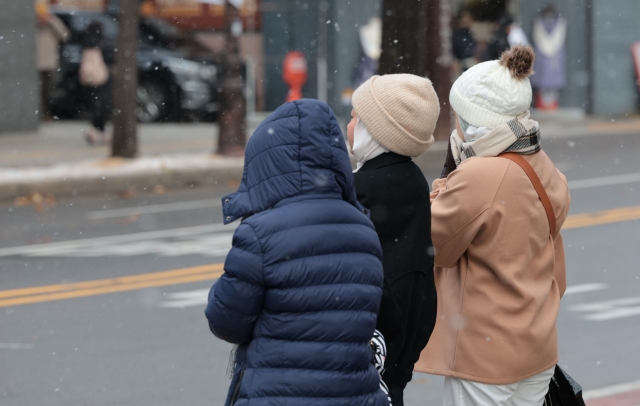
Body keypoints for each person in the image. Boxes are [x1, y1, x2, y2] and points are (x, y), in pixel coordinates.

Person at [205, 99, 390, 406]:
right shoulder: (363, 227)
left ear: (267, 162)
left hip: (278, 395)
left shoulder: (259, 233)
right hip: (354, 395)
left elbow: (226, 320)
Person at [415, 45, 571, 405]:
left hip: (487, 354)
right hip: (536, 343)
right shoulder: (539, 161)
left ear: (471, 121)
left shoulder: (483, 173)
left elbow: (435, 242)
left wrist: (447, 177)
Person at [347, 74, 439, 406]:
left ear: (376, 130)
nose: (350, 123)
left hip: (368, 356)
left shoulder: (366, 190)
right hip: (396, 355)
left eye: (356, 117)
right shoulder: (411, 179)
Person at [35, 0, 69, 121]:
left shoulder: (52, 26)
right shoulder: (35, 27)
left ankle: (47, 114)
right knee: (38, 92)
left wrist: (52, 21)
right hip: (37, 64)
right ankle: (39, 114)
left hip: (50, 64)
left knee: (49, 91)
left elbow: (65, 35)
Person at [79, 21, 112, 145]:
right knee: (102, 106)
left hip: (90, 78)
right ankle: (97, 131)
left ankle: (97, 132)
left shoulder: (84, 42)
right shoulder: (100, 42)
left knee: (97, 105)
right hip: (101, 76)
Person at [451, 10, 477, 74]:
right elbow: (453, 49)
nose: (466, 21)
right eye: (465, 18)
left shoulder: (469, 33)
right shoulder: (456, 34)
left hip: (468, 62)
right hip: (459, 63)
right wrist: (454, 61)